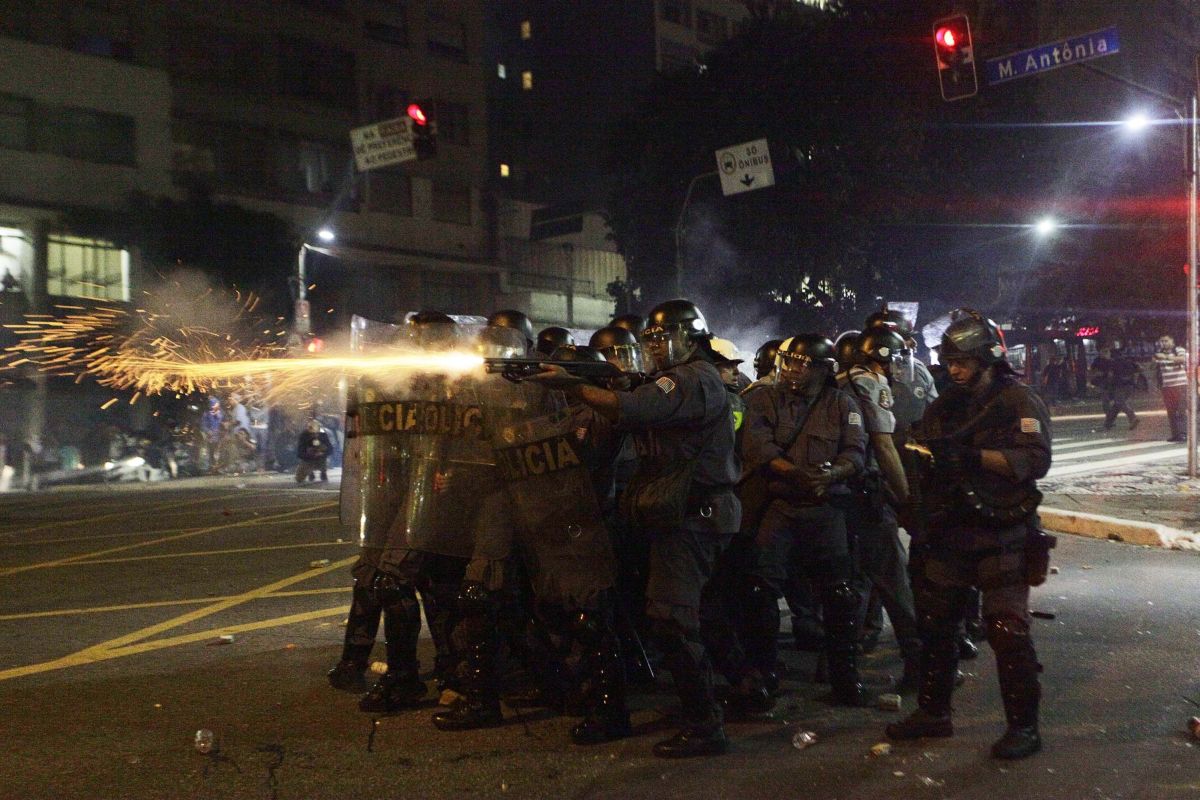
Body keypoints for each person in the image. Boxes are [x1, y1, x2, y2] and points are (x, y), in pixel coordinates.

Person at [533, 299, 740, 758]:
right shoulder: (676, 378)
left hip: (694, 516)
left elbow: (638, 408)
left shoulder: (693, 377)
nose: (655, 346)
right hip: (679, 514)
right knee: (679, 614)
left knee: (673, 616)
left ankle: (706, 724)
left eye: (662, 337)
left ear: (691, 336)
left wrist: (576, 386)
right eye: (650, 339)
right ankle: (739, 692)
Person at [886, 308, 1052, 761]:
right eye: (949, 361)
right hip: (953, 527)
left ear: (987, 359)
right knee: (937, 625)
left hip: (1003, 529)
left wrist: (974, 458)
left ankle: (1024, 727)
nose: (953, 369)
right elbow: (922, 450)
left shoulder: (1018, 400)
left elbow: (1034, 461)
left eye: (962, 361)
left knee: (1006, 629)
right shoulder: (946, 403)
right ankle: (934, 713)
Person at [329, 311, 469, 714]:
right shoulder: (401, 382)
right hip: (401, 494)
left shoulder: (461, 384)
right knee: (392, 579)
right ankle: (440, 672)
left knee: (407, 581)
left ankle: (416, 676)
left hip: (440, 498)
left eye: (426, 341)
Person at [738, 334, 870, 709]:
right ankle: (764, 675)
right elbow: (758, 447)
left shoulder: (843, 404)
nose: (793, 370)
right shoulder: (763, 398)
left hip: (826, 509)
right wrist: (797, 476)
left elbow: (856, 453)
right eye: (790, 362)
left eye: (802, 364)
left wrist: (832, 475)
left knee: (839, 595)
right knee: (760, 589)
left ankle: (845, 676)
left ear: (823, 370)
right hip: (781, 507)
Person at [837, 327, 921, 690]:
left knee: (846, 582)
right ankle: (920, 660)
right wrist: (905, 499)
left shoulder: (838, 381)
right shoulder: (872, 385)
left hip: (836, 495)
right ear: (881, 357)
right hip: (866, 495)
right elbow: (884, 448)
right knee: (894, 579)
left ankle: (841, 668)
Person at [1089, 345, 1139, 431]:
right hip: (1129, 385)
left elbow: (1110, 376)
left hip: (1119, 385)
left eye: (1106, 353)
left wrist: (1106, 384)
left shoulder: (1112, 363)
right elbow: (1137, 369)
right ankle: (1108, 423)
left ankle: (1132, 417)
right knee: (1116, 405)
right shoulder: (1127, 360)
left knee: (1119, 403)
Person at [1153, 335, 1188, 442]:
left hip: (1180, 385)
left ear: (1172, 341)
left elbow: (1182, 359)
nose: (1164, 343)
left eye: (1166, 341)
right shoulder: (1158, 352)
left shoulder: (1179, 349)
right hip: (1167, 386)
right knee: (1171, 411)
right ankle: (1175, 434)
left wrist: (1166, 357)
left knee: (1181, 410)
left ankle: (1183, 434)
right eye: (1162, 341)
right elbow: (1155, 363)